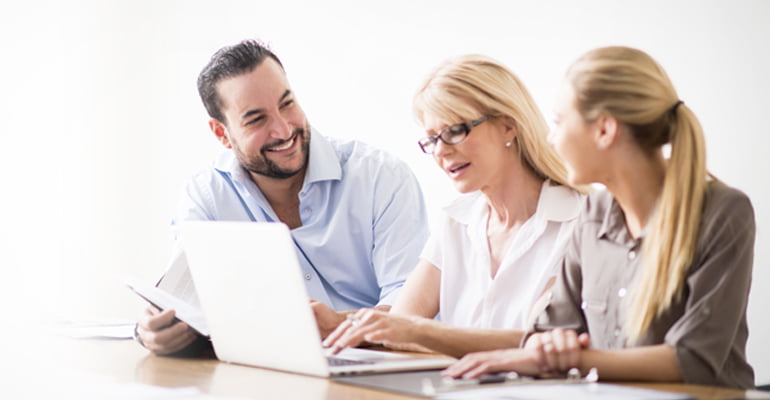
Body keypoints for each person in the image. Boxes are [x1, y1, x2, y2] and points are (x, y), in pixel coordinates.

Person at [443, 46, 755, 389]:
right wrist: (549, 345)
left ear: (605, 130)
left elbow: (694, 359)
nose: (551, 139)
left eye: (560, 122)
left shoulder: (723, 214)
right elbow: (546, 330)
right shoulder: (593, 214)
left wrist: (571, 360)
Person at [134, 39, 429, 356]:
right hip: (264, 367)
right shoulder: (207, 195)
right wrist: (151, 330)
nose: (283, 129)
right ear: (222, 133)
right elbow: (183, 301)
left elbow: (412, 311)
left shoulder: (382, 177)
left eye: (287, 104)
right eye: (256, 119)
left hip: (377, 363)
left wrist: (340, 325)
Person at [323, 55, 584, 358]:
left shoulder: (579, 222)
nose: (441, 150)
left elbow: (536, 341)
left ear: (508, 127)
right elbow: (399, 326)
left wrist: (419, 331)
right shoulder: (456, 221)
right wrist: (337, 323)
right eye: (432, 139)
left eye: (455, 131)